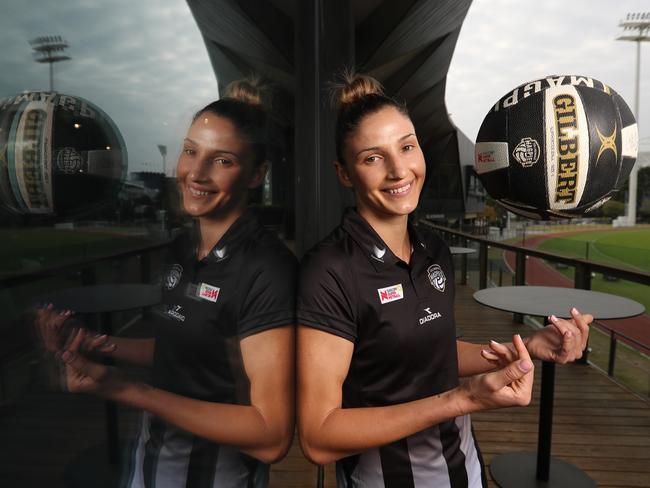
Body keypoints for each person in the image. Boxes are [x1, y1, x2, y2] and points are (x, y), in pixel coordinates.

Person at [295, 73, 592, 487]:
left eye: (407, 146)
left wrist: (532, 346)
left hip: (463, 468)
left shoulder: (431, 248)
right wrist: (464, 398)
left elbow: (430, 351)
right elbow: (318, 437)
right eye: (372, 157)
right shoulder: (329, 270)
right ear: (344, 174)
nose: (400, 170)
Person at [36, 79, 297, 488]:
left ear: (256, 174)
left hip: (216, 476)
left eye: (222, 160)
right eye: (191, 151)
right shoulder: (182, 247)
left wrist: (124, 389)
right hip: (153, 457)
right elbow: (186, 351)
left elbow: (271, 435)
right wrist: (93, 343)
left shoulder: (267, 268)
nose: (196, 172)